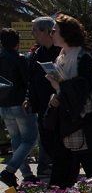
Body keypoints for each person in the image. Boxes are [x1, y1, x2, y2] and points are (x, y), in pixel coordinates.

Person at [45, 14, 92, 188]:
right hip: (65, 122)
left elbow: (88, 91)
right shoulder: (60, 57)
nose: (52, 34)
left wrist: (61, 88)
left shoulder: (82, 58)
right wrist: (55, 96)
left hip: (83, 123)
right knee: (62, 171)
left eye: (55, 30)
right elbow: (61, 88)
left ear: (66, 33)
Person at [0, 28, 38, 187]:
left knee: (16, 140)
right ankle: (9, 170)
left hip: (3, 105)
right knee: (30, 138)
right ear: (18, 43)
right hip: (20, 104)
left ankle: (27, 174)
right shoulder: (20, 59)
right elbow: (28, 81)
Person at [25, 16, 59, 182]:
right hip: (41, 107)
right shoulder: (36, 54)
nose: (33, 34)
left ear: (46, 31)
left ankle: (57, 174)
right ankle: (46, 176)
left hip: (58, 105)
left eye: (35, 30)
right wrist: (28, 98)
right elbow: (31, 81)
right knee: (45, 139)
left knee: (57, 141)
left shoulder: (60, 52)